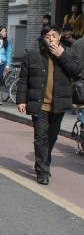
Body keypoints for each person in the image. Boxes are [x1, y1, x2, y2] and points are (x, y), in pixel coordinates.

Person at [16, 25, 82, 185]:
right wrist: (21, 100)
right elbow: (24, 79)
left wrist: (62, 56)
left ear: (59, 37)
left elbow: (78, 72)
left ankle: (44, 160)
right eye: (47, 36)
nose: (51, 38)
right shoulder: (33, 55)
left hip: (58, 104)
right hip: (40, 105)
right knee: (40, 137)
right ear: (43, 38)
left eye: (54, 35)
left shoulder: (69, 52)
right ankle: (43, 171)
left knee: (51, 137)